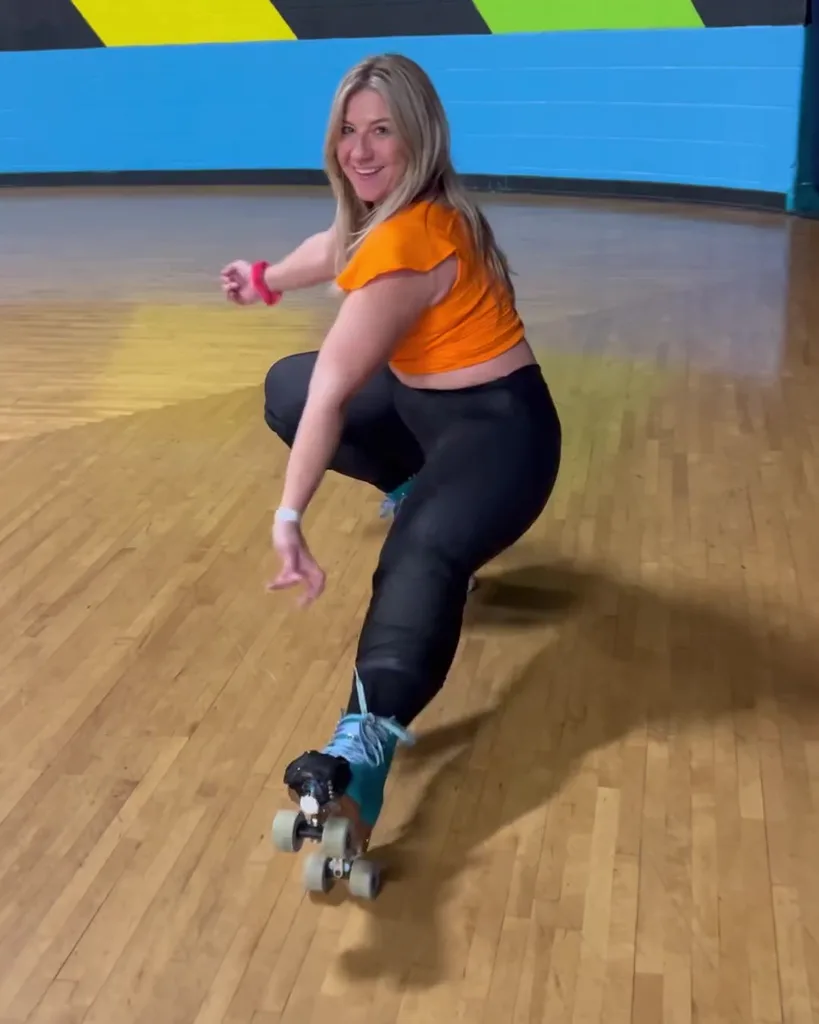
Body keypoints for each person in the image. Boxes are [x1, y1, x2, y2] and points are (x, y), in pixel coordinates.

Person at [220, 53, 562, 858]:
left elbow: (340, 388)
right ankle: (418, 487)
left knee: (420, 551)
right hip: (426, 414)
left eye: (383, 132)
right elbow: (333, 245)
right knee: (287, 388)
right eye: (349, 130)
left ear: (420, 138)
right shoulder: (386, 216)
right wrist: (267, 278)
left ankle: (359, 746)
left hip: (501, 440)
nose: (362, 149)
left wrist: (288, 517)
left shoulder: (411, 240)